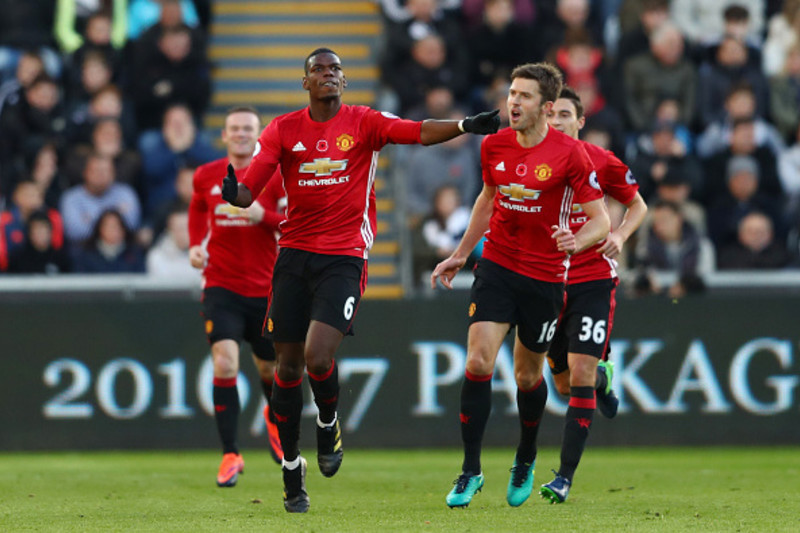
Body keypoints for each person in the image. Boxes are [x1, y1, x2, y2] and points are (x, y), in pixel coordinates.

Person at [222, 48, 500, 513]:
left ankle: (328, 421)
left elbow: (415, 132)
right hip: (292, 256)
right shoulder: (282, 130)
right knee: (286, 368)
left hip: (344, 256)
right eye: (319, 70)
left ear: (344, 82)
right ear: (305, 83)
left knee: (316, 355)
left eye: (335, 69)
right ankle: (292, 469)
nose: (328, 75)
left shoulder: (365, 122)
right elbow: (253, 184)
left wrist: (464, 125)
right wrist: (237, 194)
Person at [429, 62, 609, 509]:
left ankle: (526, 457)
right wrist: (461, 252)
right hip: (498, 266)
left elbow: (601, 220)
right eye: (511, 93)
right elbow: (488, 200)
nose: (513, 101)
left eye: (524, 96)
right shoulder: (494, 144)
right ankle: (470, 470)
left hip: (546, 276)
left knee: (528, 374)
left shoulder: (571, 154)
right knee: (477, 359)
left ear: (547, 108)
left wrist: (575, 240)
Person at [541, 86, 647, 503]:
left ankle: (564, 477)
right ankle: (604, 375)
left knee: (579, 375)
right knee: (565, 386)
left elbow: (638, 205)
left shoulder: (601, 161)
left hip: (591, 278)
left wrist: (619, 234)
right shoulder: (530, 161)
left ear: (580, 122)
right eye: (552, 115)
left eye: (566, 115)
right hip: (546, 279)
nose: (558, 122)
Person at [188, 106, 287, 487]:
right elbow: (198, 207)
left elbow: (293, 222)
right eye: (235, 128)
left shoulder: (275, 177)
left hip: (265, 289)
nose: (242, 133)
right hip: (221, 286)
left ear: (259, 135)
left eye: (248, 128)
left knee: (270, 370)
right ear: (225, 135)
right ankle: (230, 453)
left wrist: (261, 215)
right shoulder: (207, 175)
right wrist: (196, 245)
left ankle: (274, 420)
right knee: (225, 363)